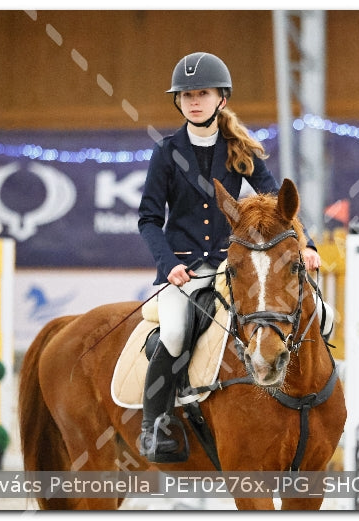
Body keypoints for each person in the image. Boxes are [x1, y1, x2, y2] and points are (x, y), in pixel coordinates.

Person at [137, 51, 324, 462]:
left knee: (308, 312)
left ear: (220, 98)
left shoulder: (239, 148)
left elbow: (279, 207)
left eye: (202, 93)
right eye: (186, 95)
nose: (194, 101)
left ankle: (312, 401)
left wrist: (307, 245)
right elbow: (149, 219)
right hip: (182, 272)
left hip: (233, 267)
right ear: (178, 102)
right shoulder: (166, 153)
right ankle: (157, 426)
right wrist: (170, 265)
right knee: (174, 332)